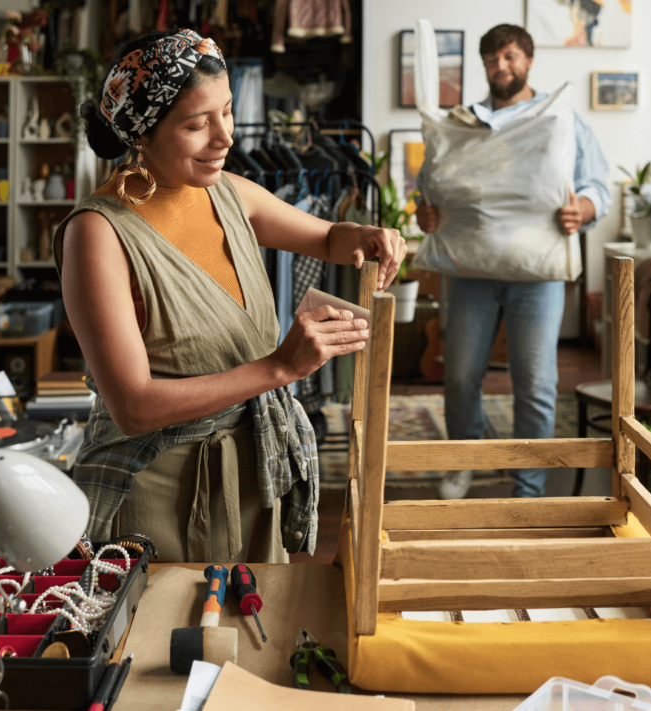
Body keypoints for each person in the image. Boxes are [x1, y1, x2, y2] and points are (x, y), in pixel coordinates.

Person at [57, 29, 405, 563]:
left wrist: (366, 234)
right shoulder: (99, 234)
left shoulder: (228, 195)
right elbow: (133, 407)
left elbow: (330, 238)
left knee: (254, 614)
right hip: (156, 492)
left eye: (227, 112)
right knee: (165, 618)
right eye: (197, 124)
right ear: (143, 134)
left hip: (251, 478)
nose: (225, 138)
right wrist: (280, 367)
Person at [416, 24, 610, 500]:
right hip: (470, 269)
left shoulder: (558, 119)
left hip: (536, 273)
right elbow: (432, 184)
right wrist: (427, 211)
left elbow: (596, 185)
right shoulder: (463, 124)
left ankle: (529, 486)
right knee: (460, 375)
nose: (499, 66)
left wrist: (583, 209)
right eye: (490, 59)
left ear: (528, 60)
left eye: (508, 57)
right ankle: (464, 461)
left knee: (536, 383)